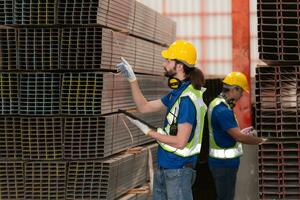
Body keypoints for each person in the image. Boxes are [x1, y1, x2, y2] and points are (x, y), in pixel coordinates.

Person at [116, 40, 207, 200]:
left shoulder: (187, 99)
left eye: (168, 61)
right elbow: (144, 107)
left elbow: (180, 141)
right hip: (166, 168)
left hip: (178, 171)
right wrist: (132, 80)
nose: (164, 64)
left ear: (179, 66)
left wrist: (150, 132)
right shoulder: (176, 93)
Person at [208, 72, 267, 200]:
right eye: (241, 92)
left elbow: (228, 132)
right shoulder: (222, 110)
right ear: (234, 89)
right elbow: (239, 137)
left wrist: (240, 132)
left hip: (221, 163)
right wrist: (261, 141)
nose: (241, 96)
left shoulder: (217, 104)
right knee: (226, 197)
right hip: (224, 165)